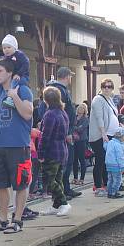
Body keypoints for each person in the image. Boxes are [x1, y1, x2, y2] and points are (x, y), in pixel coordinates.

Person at [0, 57, 34, 234]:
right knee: (1, 184)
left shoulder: (23, 90)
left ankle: (17, 219)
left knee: (20, 184)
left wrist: (14, 96)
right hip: (0, 145)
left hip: (18, 145)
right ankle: (2, 219)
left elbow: (27, 114)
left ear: (10, 72)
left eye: (0, 71)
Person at [41, 67, 81, 199]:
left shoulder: (53, 89)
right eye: (70, 76)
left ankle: (65, 190)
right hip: (62, 134)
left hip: (62, 132)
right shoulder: (59, 91)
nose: (71, 79)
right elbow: (64, 112)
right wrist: (68, 132)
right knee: (63, 165)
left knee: (63, 165)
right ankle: (61, 194)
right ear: (67, 76)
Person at [38, 86, 72, 216]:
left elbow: (45, 136)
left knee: (48, 180)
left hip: (51, 152)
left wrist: (41, 153)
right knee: (58, 179)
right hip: (62, 150)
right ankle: (56, 205)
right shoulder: (63, 113)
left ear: (46, 100)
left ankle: (63, 203)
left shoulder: (50, 114)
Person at [89, 79, 120, 196]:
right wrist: (103, 132)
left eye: (109, 86)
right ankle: (97, 186)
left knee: (107, 161)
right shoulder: (98, 99)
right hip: (99, 136)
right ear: (101, 87)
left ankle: (106, 184)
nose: (107, 88)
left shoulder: (110, 100)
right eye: (104, 86)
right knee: (100, 160)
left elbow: (114, 114)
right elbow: (99, 117)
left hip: (110, 135)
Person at [105, 125, 124, 199]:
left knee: (110, 179)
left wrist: (105, 141)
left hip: (108, 164)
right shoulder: (118, 145)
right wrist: (122, 166)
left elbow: (105, 147)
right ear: (121, 136)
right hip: (116, 165)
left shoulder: (110, 142)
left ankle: (109, 192)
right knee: (117, 180)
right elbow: (120, 157)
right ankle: (115, 192)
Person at [72, 102, 89, 185]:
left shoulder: (86, 119)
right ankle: (75, 178)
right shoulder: (74, 117)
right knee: (74, 160)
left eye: (82, 108)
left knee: (81, 159)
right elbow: (71, 126)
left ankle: (82, 178)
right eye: (79, 108)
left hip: (81, 140)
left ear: (85, 110)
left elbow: (81, 129)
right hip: (74, 140)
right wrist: (75, 128)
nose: (80, 109)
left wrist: (75, 128)